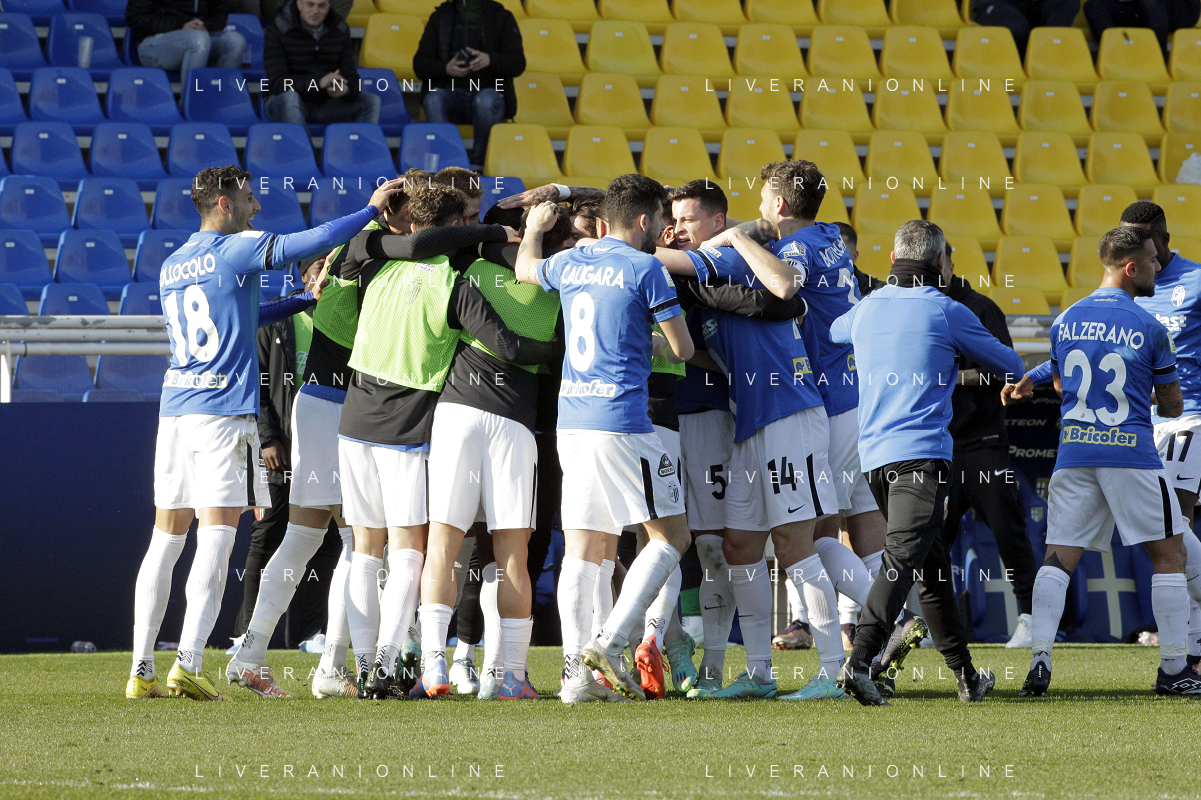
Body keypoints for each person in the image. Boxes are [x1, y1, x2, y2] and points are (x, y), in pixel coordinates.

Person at [124, 166, 404, 701]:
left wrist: (302, 302)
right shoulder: (238, 248)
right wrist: (371, 209)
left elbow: (240, 317)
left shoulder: (173, 263)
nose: (257, 207)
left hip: (175, 409)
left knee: (165, 540)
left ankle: (141, 670)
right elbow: (314, 241)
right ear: (224, 204)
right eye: (249, 198)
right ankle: (188, 663)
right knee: (216, 537)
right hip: (221, 415)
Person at [335, 184, 550, 700]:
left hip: (354, 417)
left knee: (366, 550)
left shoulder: (372, 257)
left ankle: (383, 667)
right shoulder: (455, 282)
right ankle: (395, 666)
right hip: (406, 424)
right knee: (413, 550)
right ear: (455, 228)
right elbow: (506, 345)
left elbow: (405, 245)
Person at [656, 179, 845, 701]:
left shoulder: (727, 257)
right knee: (739, 546)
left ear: (717, 222)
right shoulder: (712, 275)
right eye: (675, 220)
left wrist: (609, 246)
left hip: (790, 415)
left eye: (688, 220)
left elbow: (654, 259)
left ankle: (834, 671)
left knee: (795, 545)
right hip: (750, 424)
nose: (680, 229)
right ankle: (759, 674)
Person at [514, 175, 695, 703]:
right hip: (623, 422)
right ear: (642, 220)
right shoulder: (647, 268)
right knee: (671, 537)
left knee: (583, 550)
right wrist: (651, 343)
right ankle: (612, 642)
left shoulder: (571, 261)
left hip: (572, 422)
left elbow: (525, 269)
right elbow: (683, 350)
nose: (664, 229)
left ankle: (576, 680)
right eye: (661, 219)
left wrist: (534, 229)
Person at [830, 219, 1024, 706]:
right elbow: (1012, 365)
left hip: (874, 460)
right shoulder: (946, 308)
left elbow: (833, 331)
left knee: (932, 570)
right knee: (901, 560)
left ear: (894, 259)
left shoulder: (866, 308)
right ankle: (860, 661)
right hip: (922, 459)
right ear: (940, 262)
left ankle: (966, 676)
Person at [1004, 226, 1201, 696]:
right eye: (1151, 261)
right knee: (1170, 556)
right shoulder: (1149, 327)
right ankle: (1174, 669)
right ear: (1131, 268)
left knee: (1058, 559)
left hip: (1074, 453)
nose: (1157, 267)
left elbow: (1058, 380)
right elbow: (1172, 405)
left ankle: (1040, 662)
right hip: (1131, 455)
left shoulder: (1065, 319)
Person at [417, 205, 569, 701]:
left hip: (458, 412)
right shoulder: (558, 286)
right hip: (514, 423)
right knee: (511, 557)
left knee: (443, 546)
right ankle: (512, 678)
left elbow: (431, 240)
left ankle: (435, 666)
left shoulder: (472, 265)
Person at [230, 256, 344, 658]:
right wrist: (267, 439)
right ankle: (245, 634)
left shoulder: (341, 317)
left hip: (326, 443)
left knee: (327, 540)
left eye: (330, 269)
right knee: (268, 535)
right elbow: (256, 385)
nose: (324, 277)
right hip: (279, 449)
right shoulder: (278, 320)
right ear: (303, 276)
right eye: (318, 269)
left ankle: (312, 632)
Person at [941, 241, 1040, 649]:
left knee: (1008, 533)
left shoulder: (981, 309)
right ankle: (934, 623)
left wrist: (953, 377)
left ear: (948, 264)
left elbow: (1008, 371)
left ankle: (1030, 618)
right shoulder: (919, 308)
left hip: (983, 442)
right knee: (932, 542)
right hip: (939, 446)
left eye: (938, 264)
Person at [1120, 201, 1201, 669]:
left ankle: (1187, 653)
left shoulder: (1196, 282)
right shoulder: (1128, 284)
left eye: (1141, 242)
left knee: (1175, 526)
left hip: (1189, 417)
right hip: (1140, 422)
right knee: (1166, 531)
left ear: (1163, 240)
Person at [412, 0, 526, 171]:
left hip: (488, 94)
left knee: (485, 100)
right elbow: (420, 64)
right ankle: (448, 166)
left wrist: (490, 60)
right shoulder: (440, 17)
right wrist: (446, 68)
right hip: (451, 93)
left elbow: (518, 63)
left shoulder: (502, 17)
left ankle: (478, 166)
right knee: (433, 99)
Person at [263, 0, 380, 127]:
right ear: (299, 4)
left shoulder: (339, 29)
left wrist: (346, 89)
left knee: (371, 101)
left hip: (324, 103)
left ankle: (363, 140)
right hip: (283, 103)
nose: (315, 11)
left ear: (329, 6)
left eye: (321, 6)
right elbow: (276, 83)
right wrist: (318, 83)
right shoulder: (278, 28)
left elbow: (352, 77)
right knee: (291, 98)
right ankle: (301, 141)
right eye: (310, 4)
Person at [126, 0, 247, 83]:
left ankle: (219, 100)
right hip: (155, 44)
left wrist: (204, 26)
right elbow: (135, 16)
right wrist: (181, 26)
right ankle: (192, 104)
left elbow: (220, 13)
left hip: (200, 39)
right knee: (198, 40)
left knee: (235, 42)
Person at [1084, 0, 1200, 54]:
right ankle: (1115, 54)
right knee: (1094, 6)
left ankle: (1157, 60)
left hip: (1178, 10)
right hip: (1138, 9)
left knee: (1151, 3)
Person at [970, 0, 1081, 55]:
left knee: (1068, 2)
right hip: (1001, 2)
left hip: (1036, 4)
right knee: (1017, 30)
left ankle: (1047, 53)